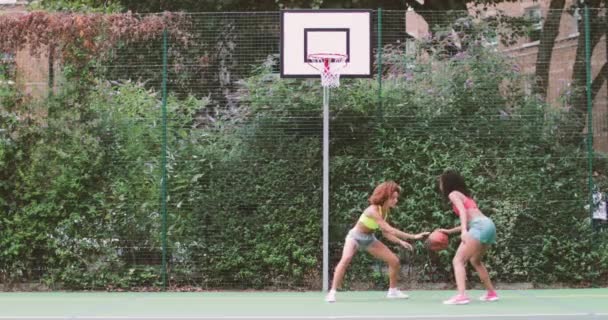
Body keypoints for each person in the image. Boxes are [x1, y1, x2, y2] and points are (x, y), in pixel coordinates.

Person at [325, 181, 429, 303]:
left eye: (396, 198)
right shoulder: (372, 210)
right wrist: (413, 236)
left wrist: (400, 242)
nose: (396, 200)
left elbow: (385, 233)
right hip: (355, 237)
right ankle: (332, 293)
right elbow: (388, 228)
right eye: (393, 198)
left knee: (394, 261)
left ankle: (393, 291)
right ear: (385, 197)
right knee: (346, 259)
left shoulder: (385, 210)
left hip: (369, 239)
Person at [436, 170, 498, 305]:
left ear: (447, 183)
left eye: (441, 182)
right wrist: (450, 231)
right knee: (475, 260)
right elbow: (473, 220)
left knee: (458, 260)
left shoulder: (453, 194)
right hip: (488, 225)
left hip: (479, 227)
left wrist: (464, 230)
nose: (439, 185)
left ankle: (462, 295)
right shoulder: (466, 197)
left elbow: (464, 213)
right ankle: (491, 293)